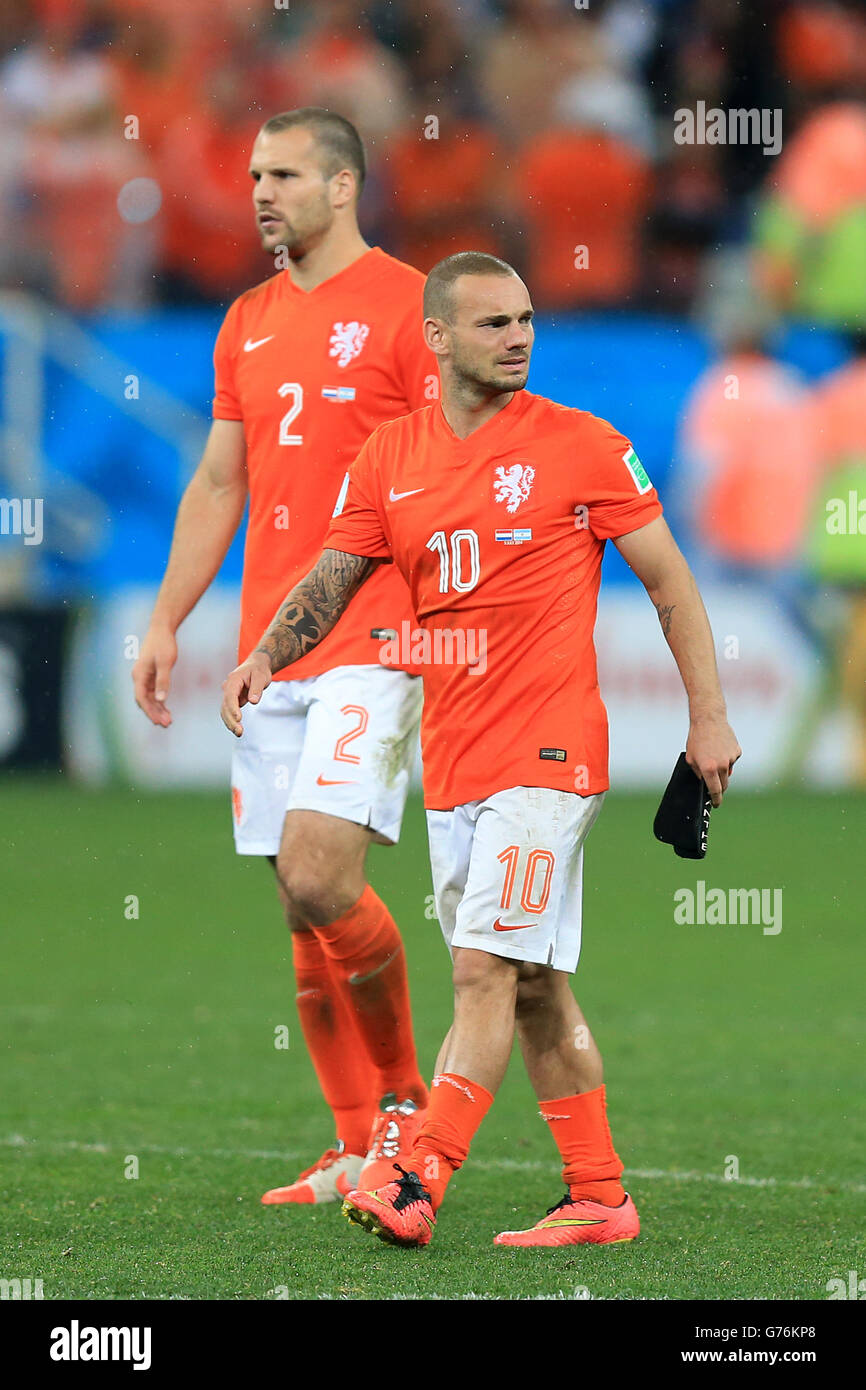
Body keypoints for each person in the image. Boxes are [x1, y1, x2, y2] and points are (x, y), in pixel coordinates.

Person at [220, 251, 741, 1247]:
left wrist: (705, 718)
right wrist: (266, 655)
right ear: (438, 338)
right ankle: (598, 1195)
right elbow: (334, 576)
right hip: (454, 761)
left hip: (548, 757)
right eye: (494, 323)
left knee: (481, 971)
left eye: (525, 320)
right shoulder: (387, 458)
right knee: (535, 984)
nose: (517, 338)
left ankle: (418, 1173)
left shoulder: (584, 447)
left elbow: (671, 583)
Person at [133, 108, 432, 1206]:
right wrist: (167, 619)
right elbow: (221, 481)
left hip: (376, 635)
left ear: (343, 186)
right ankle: (352, 1142)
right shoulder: (246, 318)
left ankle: (405, 1107)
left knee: (320, 872)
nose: (259, 191)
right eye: (253, 172)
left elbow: (449, 470)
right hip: (271, 649)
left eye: (285, 174)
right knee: (296, 906)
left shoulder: (410, 307)